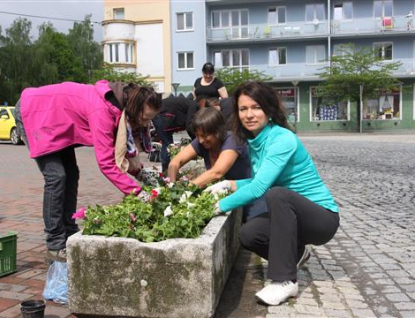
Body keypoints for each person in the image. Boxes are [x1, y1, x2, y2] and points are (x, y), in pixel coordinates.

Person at [205, 81, 339, 306]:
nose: (249, 114)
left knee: (277, 194)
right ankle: (296, 254)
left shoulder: (282, 139)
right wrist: (228, 184)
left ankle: (284, 280)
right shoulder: (256, 140)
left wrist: (218, 206)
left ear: (268, 108)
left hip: (321, 218)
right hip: (293, 214)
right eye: (243, 109)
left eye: (256, 107)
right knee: (249, 233)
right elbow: (260, 179)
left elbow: (260, 188)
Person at [14, 80, 162, 261]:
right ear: (134, 107)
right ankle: (54, 245)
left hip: (58, 120)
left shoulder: (120, 107)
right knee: (56, 177)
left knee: (72, 174)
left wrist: (140, 173)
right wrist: (138, 193)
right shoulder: (102, 111)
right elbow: (106, 163)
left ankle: (69, 232)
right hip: (34, 112)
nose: (146, 123)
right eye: (144, 118)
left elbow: (122, 152)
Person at [167, 107, 250, 188]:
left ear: (218, 131)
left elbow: (217, 173)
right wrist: (172, 185)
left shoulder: (232, 140)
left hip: (245, 193)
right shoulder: (202, 141)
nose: (200, 140)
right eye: (197, 135)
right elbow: (176, 161)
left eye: (204, 135)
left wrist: (187, 188)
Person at [152, 96, 199, 171]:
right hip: (161, 115)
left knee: (167, 144)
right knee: (167, 144)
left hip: (160, 115)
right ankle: (167, 170)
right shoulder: (194, 105)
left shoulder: (188, 103)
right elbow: (188, 125)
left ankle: (167, 170)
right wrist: (196, 141)